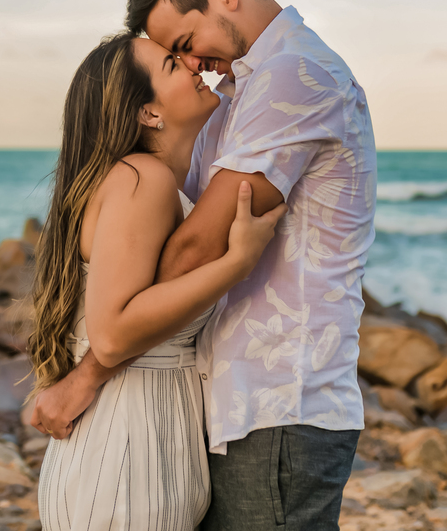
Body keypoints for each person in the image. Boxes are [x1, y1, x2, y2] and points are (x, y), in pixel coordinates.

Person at [31, 0, 378, 531]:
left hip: (279, 402)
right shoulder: (236, 95)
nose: (193, 64)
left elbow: (198, 245)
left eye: (185, 46)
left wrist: (89, 372)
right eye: (175, 58)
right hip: (222, 407)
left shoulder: (296, 75)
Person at [31, 31, 287, 531]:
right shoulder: (141, 177)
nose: (194, 65)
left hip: (140, 439)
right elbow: (111, 333)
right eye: (173, 63)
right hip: (125, 453)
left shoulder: (146, 179)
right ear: (148, 113)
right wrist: (236, 263)